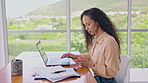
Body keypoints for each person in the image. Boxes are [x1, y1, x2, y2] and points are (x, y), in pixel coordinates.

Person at [61, 7, 120, 83]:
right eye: (85, 25)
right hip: (97, 78)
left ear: (97, 22)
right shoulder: (97, 38)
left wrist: (90, 64)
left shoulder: (109, 42)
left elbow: (112, 71)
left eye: (88, 24)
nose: (86, 28)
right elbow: (93, 57)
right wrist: (77, 57)